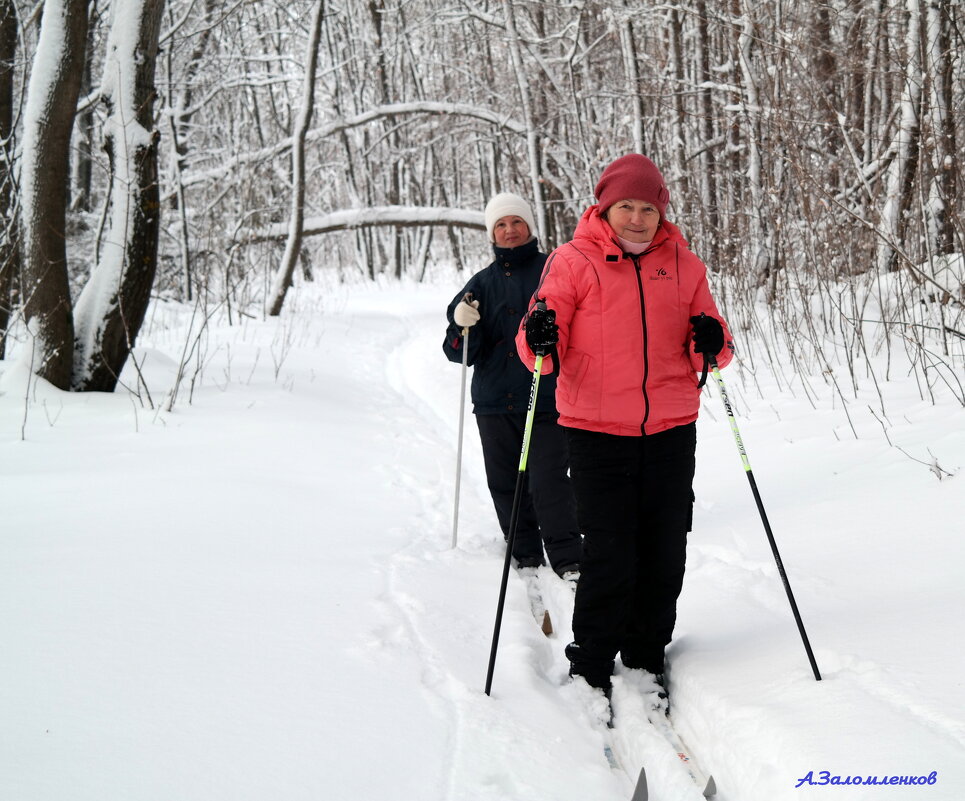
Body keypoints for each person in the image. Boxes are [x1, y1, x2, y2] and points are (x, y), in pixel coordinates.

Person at [514, 154, 734, 693]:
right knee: (610, 551)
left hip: (671, 429)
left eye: (648, 209)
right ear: (604, 209)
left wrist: (712, 341)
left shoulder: (684, 265)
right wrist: (539, 336)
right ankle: (591, 659)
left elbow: (714, 347)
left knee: (665, 550)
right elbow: (538, 348)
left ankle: (646, 652)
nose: (637, 219)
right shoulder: (571, 262)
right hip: (595, 432)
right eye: (626, 207)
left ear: (661, 212)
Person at [443, 192, 582, 578]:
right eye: (501, 224)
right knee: (505, 482)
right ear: (492, 233)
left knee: (549, 479)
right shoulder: (479, 285)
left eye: (516, 222)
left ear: (529, 226)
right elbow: (458, 353)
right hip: (494, 402)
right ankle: (524, 551)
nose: (509, 230)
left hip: (548, 398)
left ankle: (568, 556)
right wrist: (462, 326)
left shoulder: (554, 272)